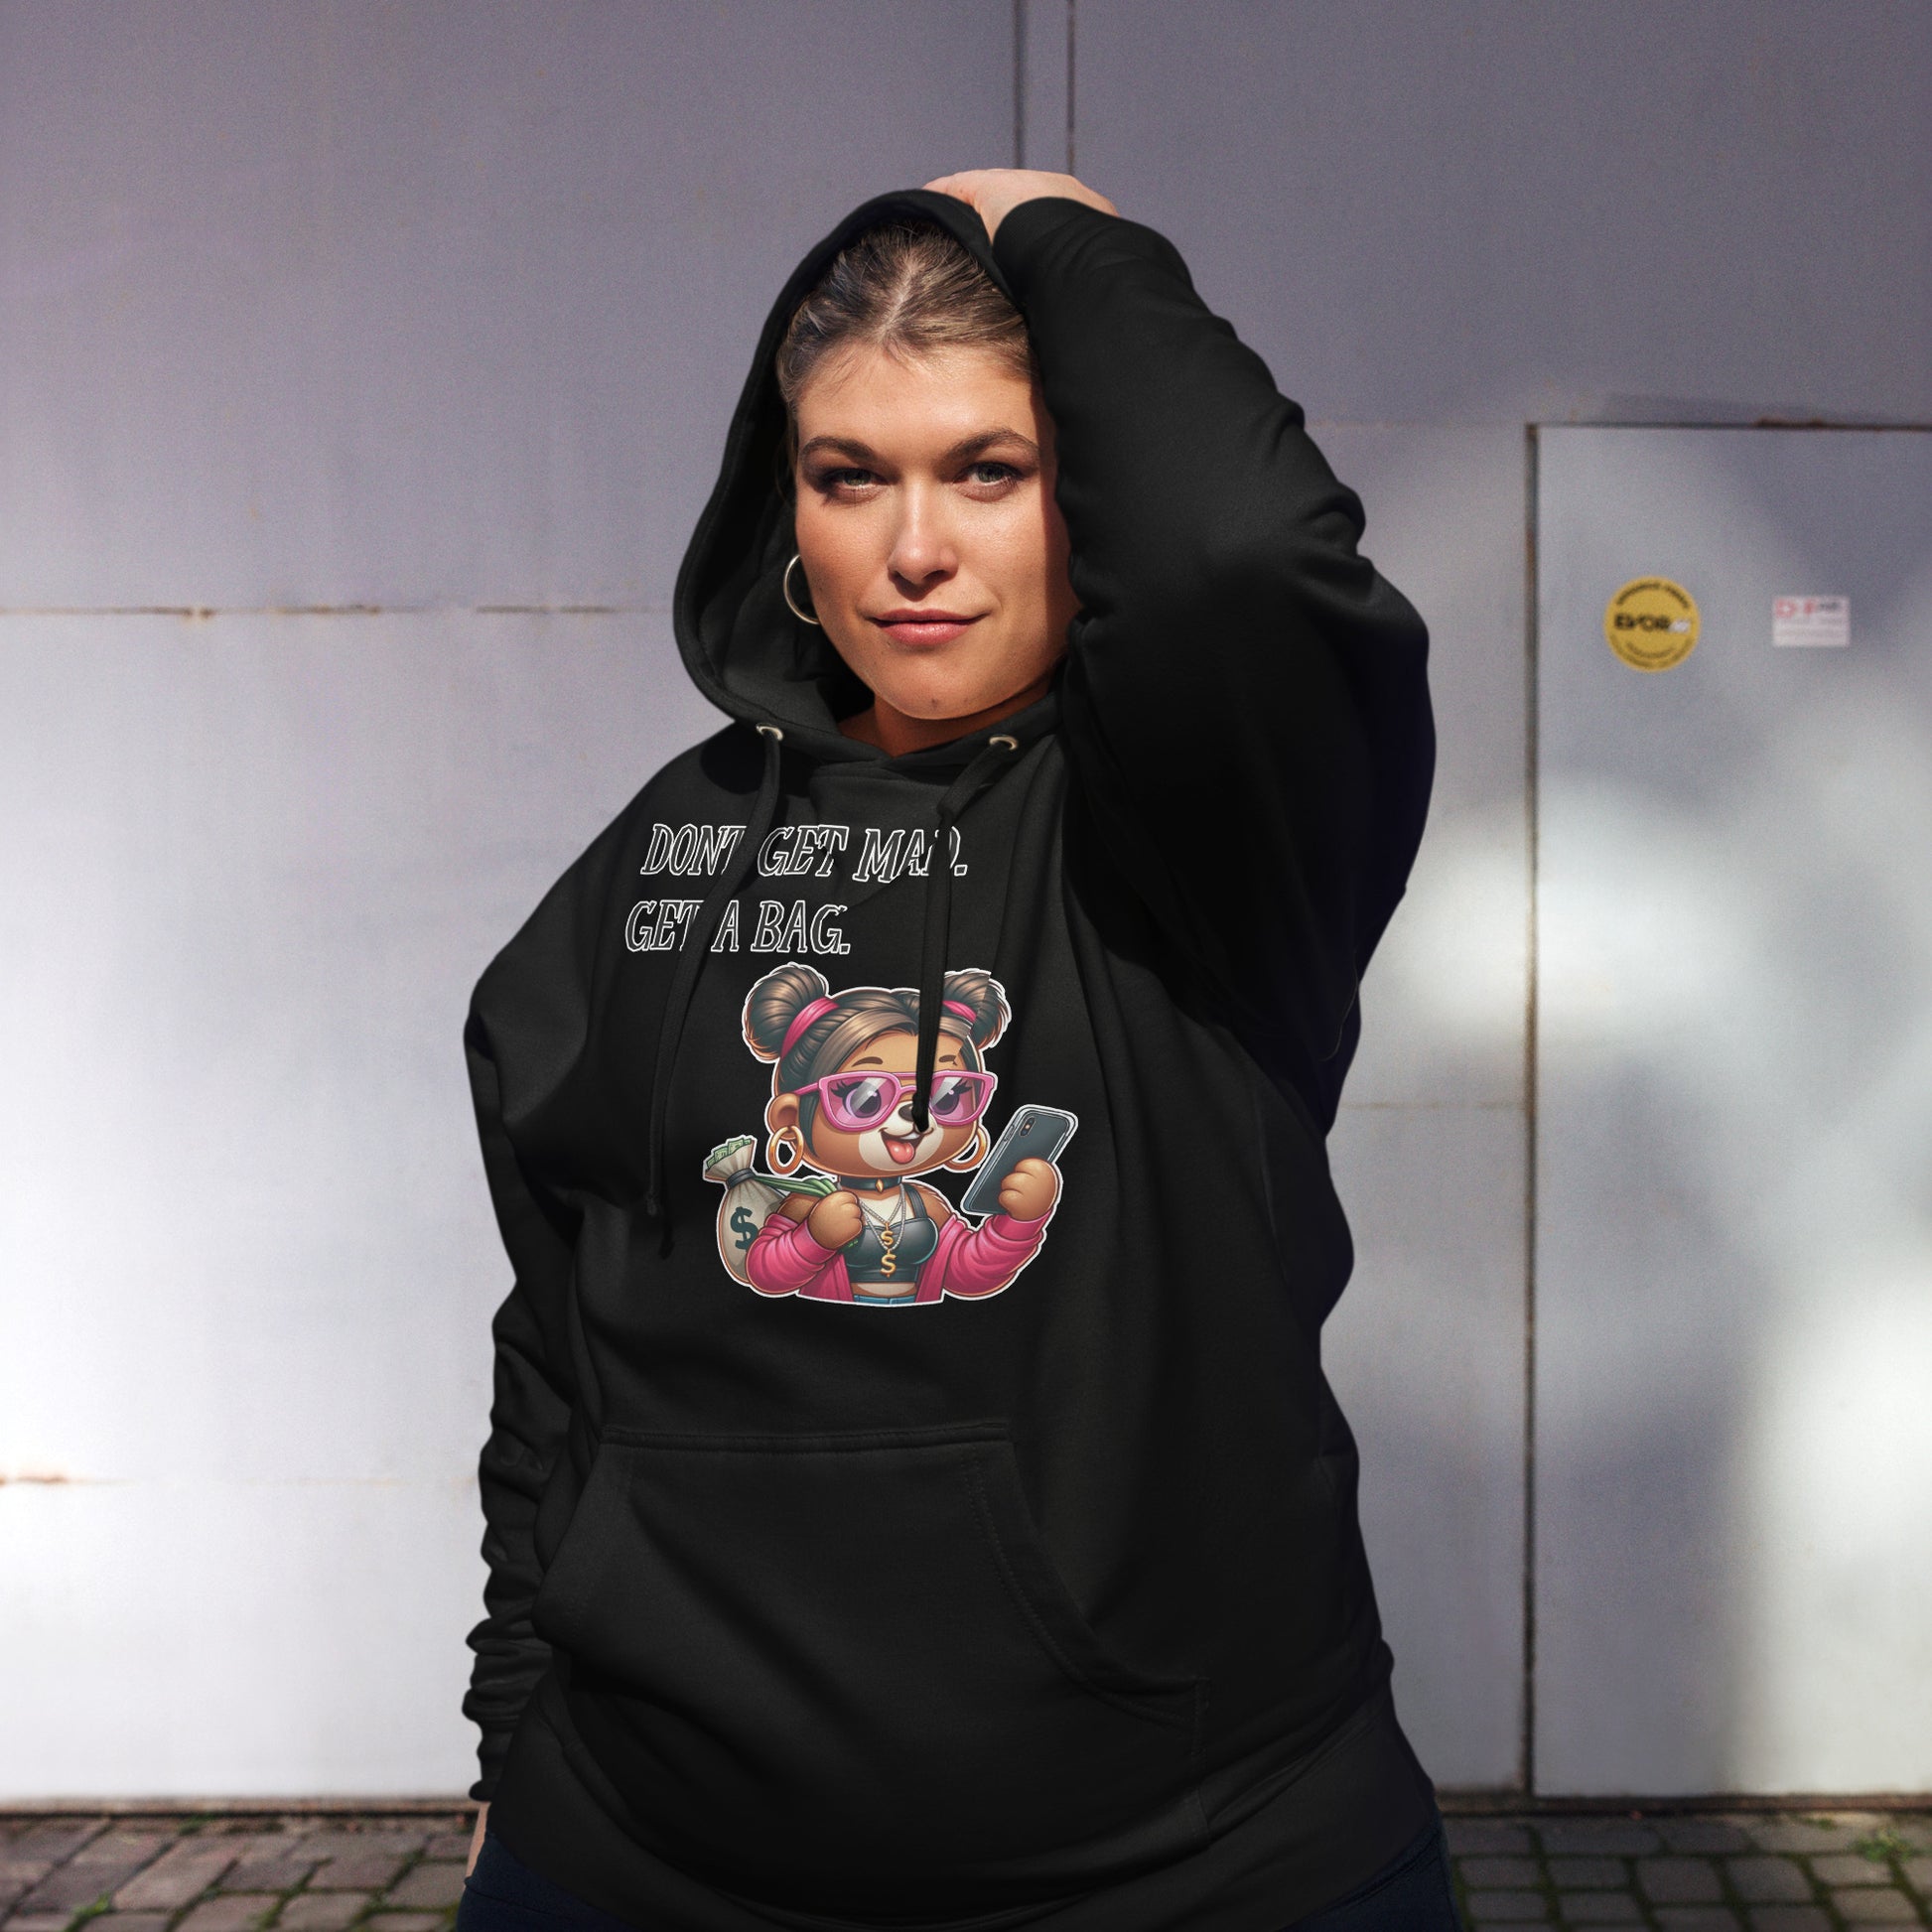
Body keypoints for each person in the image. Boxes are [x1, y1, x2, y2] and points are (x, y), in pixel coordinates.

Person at [454, 168, 1453, 1932]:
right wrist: (511, 1742)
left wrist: (1034, 213)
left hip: (1203, 1865)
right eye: (851, 475)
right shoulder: (663, 851)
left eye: (989, 470)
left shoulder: (1213, 828)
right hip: (641, 1857)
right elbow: (560, 1345)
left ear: (1088, 494)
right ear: (783, 508)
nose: (912, 549)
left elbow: (1237, 553)